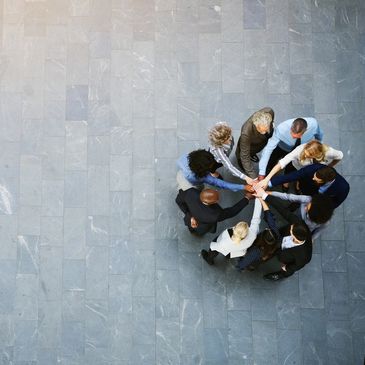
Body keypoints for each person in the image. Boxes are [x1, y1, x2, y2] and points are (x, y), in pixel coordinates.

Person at [253, 187, 313, 280]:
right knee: (268, 252)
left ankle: (279, 276)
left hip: (284, 255)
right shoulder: (299, 224)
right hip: (280, 239)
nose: (290, 227)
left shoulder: (304, 256)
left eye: (291, 230)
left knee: (285, 270)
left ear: (295, 237)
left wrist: (288, 268)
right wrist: (264, 195)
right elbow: (283, 211)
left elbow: (298, 265)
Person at [257, 140, 343, 190]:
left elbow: (340, 156)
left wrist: (330, 166)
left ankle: (298, 182)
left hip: (314, 171)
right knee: (290, 172)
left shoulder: (329, 152)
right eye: (305, 152)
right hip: (296, 166)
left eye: (309, 155)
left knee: (306, 178)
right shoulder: (299, 150)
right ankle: (287, 181)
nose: (305, 156)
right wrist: (267, 179)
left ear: (317, 154)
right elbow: (281, 163)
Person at [201, 198, 262, 264]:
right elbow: (256, 217)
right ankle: (227, 256)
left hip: (224, 246)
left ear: (235, 227)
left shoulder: (225, 241)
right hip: (237, 251)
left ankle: (209, 259)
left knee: (214, 250)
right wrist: (259, 198)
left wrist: (212, 246)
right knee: (229, 253)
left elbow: (216, 247)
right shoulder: (253, 233)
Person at [258, 117, 324, 178]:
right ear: (291, 128)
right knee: (272, 159)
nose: (293, 138)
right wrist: (261, 172)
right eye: (292, 135)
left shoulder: (314, 124)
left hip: (300, 150)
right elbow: (268, 149)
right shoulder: (281, 129)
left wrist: (318, 146)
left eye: (297, 137)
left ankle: (287, 177)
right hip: (282, 147)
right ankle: (268, 169)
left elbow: (319, 135)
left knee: (293, 164)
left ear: (305, 130)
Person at [268, 164, 350, 209]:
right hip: (305, 188)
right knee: (300, 194)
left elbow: (335, 203)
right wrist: (269, 183)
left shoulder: (343, 187)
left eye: (316, 179)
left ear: (326, 181)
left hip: (317, 199)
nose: (313, 178)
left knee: (300, 201)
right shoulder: (313, 168)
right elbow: (292, 176)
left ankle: (297, 204)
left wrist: (317, 208)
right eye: (314, 176)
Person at [175, 188, 251, 236]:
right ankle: (195, 233)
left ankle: (192, 231)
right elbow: (232, 211)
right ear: (212, 202)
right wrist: (246, 198)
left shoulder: (191, 192)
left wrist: (190, 216)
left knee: (192, 228)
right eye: (217, 199)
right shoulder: (215, 215)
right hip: (203, 226)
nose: (218, 199)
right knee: (199, 232)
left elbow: (178, 200)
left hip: (190, 220)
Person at [264, 192, 334, 241]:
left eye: (308, 210)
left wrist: (312, 239)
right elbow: (288, 196)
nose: (305, 207)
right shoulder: (308, 199)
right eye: (307, 205)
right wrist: (270, 193)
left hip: (303, 229)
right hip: (294, 217)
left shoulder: (325, 222)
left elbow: (318, 231)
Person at [236, 197, 279, 271]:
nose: (267, 228)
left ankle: (249, 268)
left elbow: (245, 261)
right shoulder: (276, 235)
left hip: (253, 260)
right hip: (260, 259)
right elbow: (270, 221)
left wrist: (239, 266)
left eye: (266, 230)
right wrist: (261, 200)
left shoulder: (256, 251)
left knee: (249, 263)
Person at [177, 150, 246, 191]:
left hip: (183, 173)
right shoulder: (205, 178)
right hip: (192, 182)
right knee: (199, 188)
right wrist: (243, 187)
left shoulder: (185, 158)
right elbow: (223, 184)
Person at [235, 107, 275, 179]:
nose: (264, 132)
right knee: (243, 156)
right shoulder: (246, 133)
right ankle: (241, 163)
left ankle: (252, 154)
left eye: (266, 129)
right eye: (261, 130)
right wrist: (254, 177)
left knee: (255, 150)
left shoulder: (269, 111)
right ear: (255, 124)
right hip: (250, 144)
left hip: (259, 143)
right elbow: (244, 156)